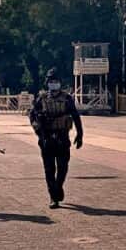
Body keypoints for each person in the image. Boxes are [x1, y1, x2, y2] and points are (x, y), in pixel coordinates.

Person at [29, 68, 83, 209]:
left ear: (60, 83)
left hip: (62, 136)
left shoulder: (67, 98)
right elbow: (32, 116)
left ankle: (58, 186)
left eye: (56, 81)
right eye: (51, 81)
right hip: (46, 137)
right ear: (47, 82)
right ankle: (53, 197)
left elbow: (75, 116)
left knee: (63, 166)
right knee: (49, 169)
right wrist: (38, 130)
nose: (54, 84)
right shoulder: (41, 98)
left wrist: (80, 134)